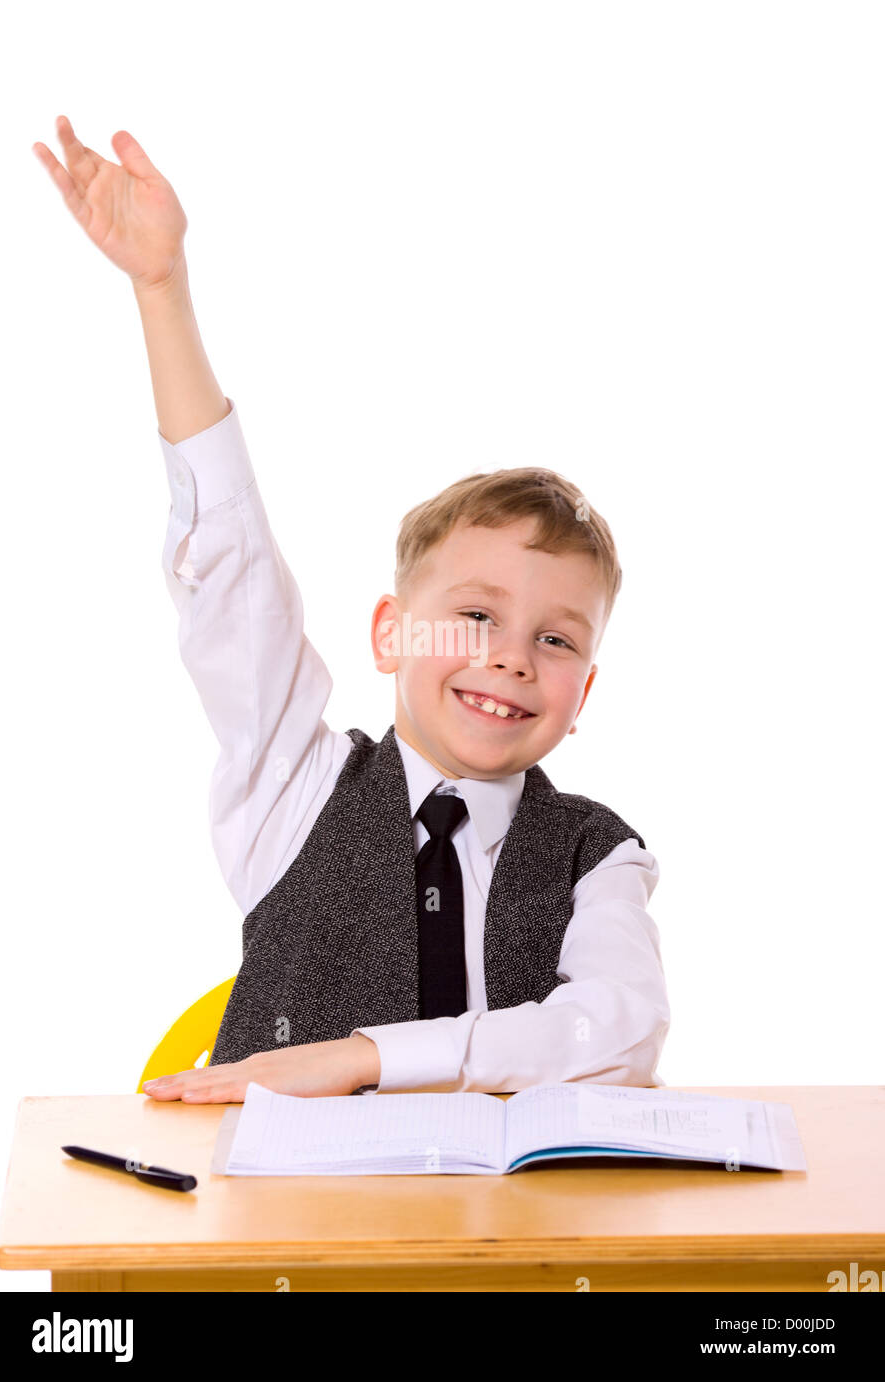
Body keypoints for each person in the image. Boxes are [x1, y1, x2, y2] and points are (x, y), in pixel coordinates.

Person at [33, 117, 670, 1104]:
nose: (509, 659)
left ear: (581, 690)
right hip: (289, 1238)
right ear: (391, 632)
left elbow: (616, 1034)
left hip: (512, 1250)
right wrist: (162, 289)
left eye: (554, 640)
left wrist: (367, 1056)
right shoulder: (291, 787)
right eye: (475, 616)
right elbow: (234, 569)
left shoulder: (601, 855)